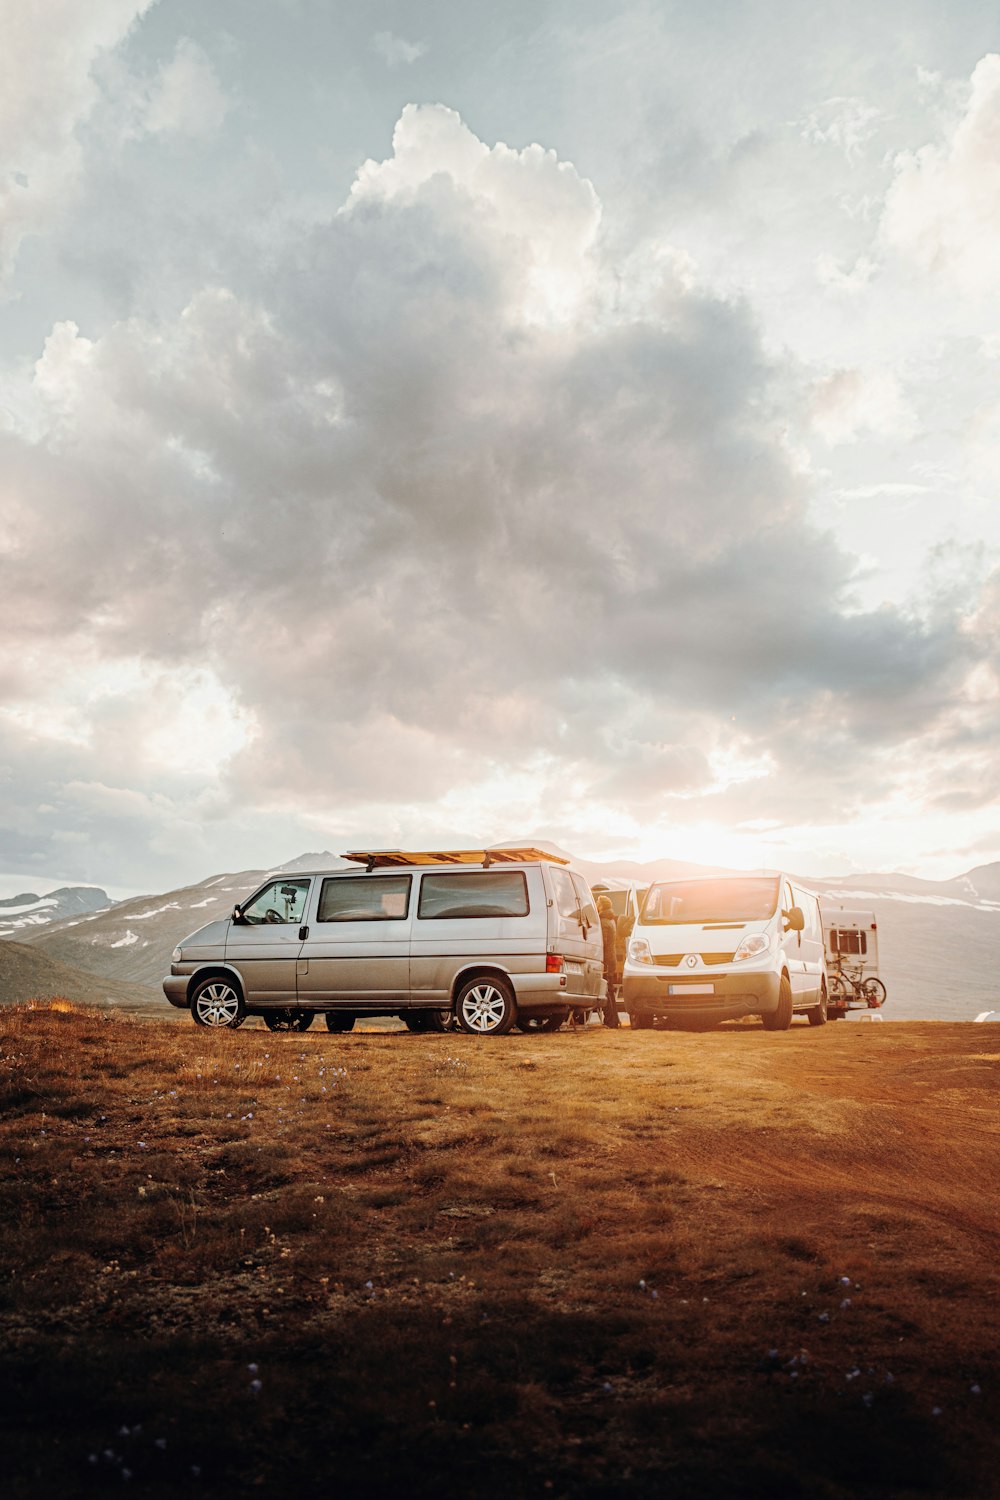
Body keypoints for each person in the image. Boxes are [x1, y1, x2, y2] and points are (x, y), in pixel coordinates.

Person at [597, 895, 620, 1028]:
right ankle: (614, 1019)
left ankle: (610, 1020)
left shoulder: (604, 922)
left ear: (602, 906)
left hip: (606, 960)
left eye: (598, 903)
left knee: (606, 990)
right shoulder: (611, 920)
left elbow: (603, 944)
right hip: (612, 959)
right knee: (610, 990)